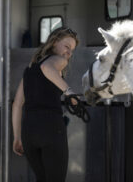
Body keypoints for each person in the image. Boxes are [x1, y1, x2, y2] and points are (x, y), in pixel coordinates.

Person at [12, 27, 79, 182]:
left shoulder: (30, 68)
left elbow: (17, 104)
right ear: (54, 42)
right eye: (66, 46)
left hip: (29, 133)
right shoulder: (58, 60)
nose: (68, 53)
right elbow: (46, 68)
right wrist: (70, 93)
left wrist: (17, 136)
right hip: (51, 128)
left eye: (72, 50)